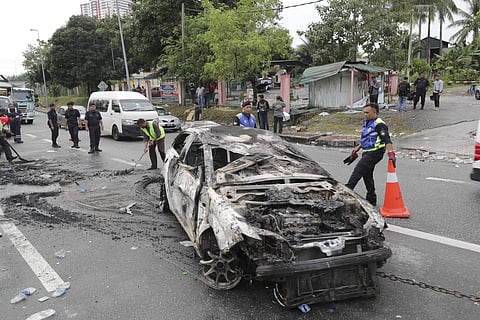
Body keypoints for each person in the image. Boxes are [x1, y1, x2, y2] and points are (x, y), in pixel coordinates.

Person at [345, 103, 396, 206]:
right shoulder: (367, 122)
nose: (365, 115)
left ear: (374, 112)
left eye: (367, 113)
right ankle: (371, 199)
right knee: (367, 175)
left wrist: (391, 154)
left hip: (376, 153)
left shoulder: (379, 124)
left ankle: (346, 193)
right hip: (367, 152)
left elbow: (387, 139)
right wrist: (358, 148)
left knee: (358, 171)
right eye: (364, 112)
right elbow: (367, 137)